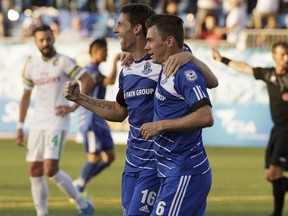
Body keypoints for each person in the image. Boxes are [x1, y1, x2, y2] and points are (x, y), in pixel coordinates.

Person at [62, 3, 218, 215]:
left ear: (136, 28)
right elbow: (119, 111)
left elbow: (211, 82)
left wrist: (190, 56)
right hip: (132, 162)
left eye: (120, 24)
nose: (115, 30)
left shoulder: (168, 60)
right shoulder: (126, 70)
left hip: (157, 164)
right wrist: (80, 98)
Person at [138, 14, 214, 216]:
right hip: (170, 171)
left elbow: (206, 117)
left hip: (184, 172)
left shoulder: (185, 73)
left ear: (169, 41)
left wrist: (160, 125)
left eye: (150, 40)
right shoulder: (169, 61)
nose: (146, 46)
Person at [16, 25, 95, 216]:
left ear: (53, 39)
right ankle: (42, 214)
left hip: (57, 120)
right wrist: (20, 126)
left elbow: (88, 81)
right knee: (34, 169)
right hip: (37, 122)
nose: (45, 43)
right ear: (35, 42)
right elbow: (26, 96)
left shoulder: (63, 62)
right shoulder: (31, 66)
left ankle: (82, 204)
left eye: (48, 39)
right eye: (41, 40)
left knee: (50, 169)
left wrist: (73, 106)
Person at [212, 41, 288, 216]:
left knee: (276, 173)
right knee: (270, 175)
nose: (286, 58)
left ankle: (276, 213)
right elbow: (244, 68)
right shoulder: (269, 74)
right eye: (282, 54)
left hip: (287, 131)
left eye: (287, 54)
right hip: (277, 130)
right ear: (274, 56)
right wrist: (222, 59)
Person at [73, 38, 121, 193]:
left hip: (99, 119)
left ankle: (80, 182)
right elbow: (110, 81)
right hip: (90, 119)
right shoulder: (91, 72)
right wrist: (115, 61)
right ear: (95, 52)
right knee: (94, 158)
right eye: (104, 50)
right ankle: (78, 187)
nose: (107, 52)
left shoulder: (95, 71)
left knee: (109, 157)